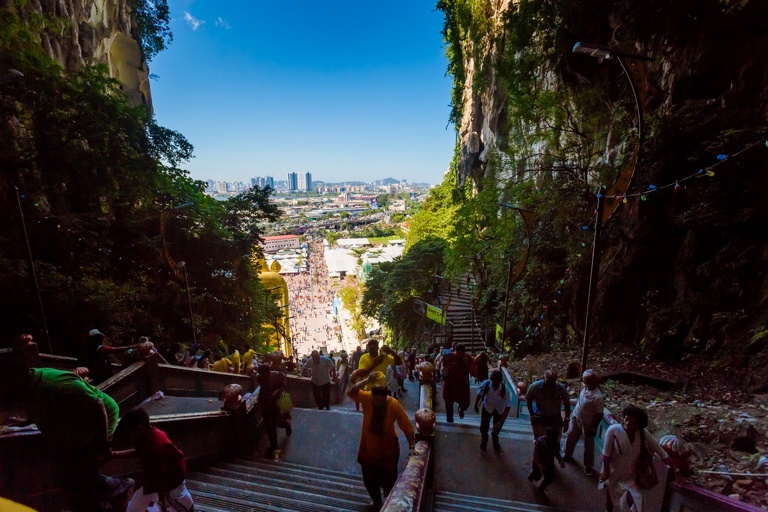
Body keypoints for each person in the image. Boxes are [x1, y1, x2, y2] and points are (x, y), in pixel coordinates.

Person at [0, 362, 134, 510]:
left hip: (95, 423)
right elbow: (43, 404)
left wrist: (103, 443)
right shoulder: (29, 387)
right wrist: (28, 420)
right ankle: (101, 503)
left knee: (83, 472)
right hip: (73, 428)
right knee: (70, 476)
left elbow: (98, 404)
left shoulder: (56, 384)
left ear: (16, 378)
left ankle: (121, 487)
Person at [346, 373, 415, 509]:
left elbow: (406, 424)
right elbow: (351, 392)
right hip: (368, 449)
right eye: (375, 399)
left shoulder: (393, 404)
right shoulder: (367, 398)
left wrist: (412, 445)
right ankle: (376, 501)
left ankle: (389, 505)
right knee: (369, 480)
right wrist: (366, 380)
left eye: (380, 400)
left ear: (386, 397)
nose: (377, 402)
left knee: (389, 481)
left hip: (387, 452)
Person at [112, 408, 194, 512]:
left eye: (129, 434)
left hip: (171, 484)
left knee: (176, 505)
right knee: (134, 508)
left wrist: (162, 500)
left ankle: (187, 506)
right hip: (152, 481)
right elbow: (139, 452)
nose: (128, 438)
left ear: (140, 428)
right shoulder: (148, 436)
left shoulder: (156, 448)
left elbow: (160, 478)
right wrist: (114, 454)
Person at [600, 404, 676, 512]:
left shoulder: (642, 433)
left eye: (633, 423)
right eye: (626, 419)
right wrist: (605, 469)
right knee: (611, 497)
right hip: (614, 473)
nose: (627, 424)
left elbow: (660, 451)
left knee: (636, 502)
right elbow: (606, 454)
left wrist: (675, 470)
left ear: (639, 425)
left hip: (633, 476)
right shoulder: (613, 431)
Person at [563, 369, 604, 476]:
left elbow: (599, 414)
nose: (584, 381)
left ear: (594, 382)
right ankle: (567, 454)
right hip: (576, 417)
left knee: (588, 445)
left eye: (586, 380)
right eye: (584, 379)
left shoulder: (597, 397)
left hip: (588, 423)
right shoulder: (585, 388)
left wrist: (593, 427)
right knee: (570, 436)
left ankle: (588, 466)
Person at [77, 328, 143, 385]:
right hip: (99, 374)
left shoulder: (86, 348)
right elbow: (117, 349)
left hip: (90, 374)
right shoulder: (101, 349)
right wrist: (133, 346)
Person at [254, 364, 292, 458]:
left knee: (278, 422)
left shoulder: (278, 376)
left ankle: (286, 425)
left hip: (276, 403)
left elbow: (284, 387)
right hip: (266, 404)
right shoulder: (260, 378)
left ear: (268, 372)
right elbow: (262, 389)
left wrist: (276, 393)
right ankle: (273, 444)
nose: (263, 377)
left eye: (264, 375)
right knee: (269, 425)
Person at [526, 369, 570, 440]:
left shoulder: (560, 388)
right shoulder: (535, 386)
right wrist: (532, 415)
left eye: (553, 380)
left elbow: (567, 403)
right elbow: (528, 399)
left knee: (554, 442)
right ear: (544, 378)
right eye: (549, 380)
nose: (551, 383)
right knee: (539, 441)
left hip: (555, 419)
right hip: (540, 418)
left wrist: (566, 419)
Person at [474, 369, 510, 452]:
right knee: (483, 427)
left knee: (497, 428)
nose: (494, 384)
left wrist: (501, 421)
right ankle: (484, 439)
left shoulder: (505, 390)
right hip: (487, 407)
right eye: (493, 381)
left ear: (500, 381)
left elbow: (508, 406)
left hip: (499, 410)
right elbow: (479, 394)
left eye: (497, 382)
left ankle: (495, 440)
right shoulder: (486, 384)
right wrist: (476, 404)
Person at [440, 344, 475, 422]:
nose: (459, 355)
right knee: (448, 402)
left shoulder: (468, 358)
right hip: (449, 384)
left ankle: (461, 408)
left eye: (461, 353)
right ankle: (449, 419)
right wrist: (443, 370)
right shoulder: (448, 357)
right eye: (458, 353)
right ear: (455, 351)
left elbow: (474, 373)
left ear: (464, 352)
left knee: (465, 404)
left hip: (462, 384)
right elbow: (442, 369)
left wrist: (466, 364)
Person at [528, 427, 566, 493]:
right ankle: (532, 474)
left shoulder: (555, 444)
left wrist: (560, 460)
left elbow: (556, 453)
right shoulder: (540, 441)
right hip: (539, 461)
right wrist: (537, 463)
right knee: (537, 476)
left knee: (549, 478)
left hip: (549, 463)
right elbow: (535, 453)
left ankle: (541, 488)